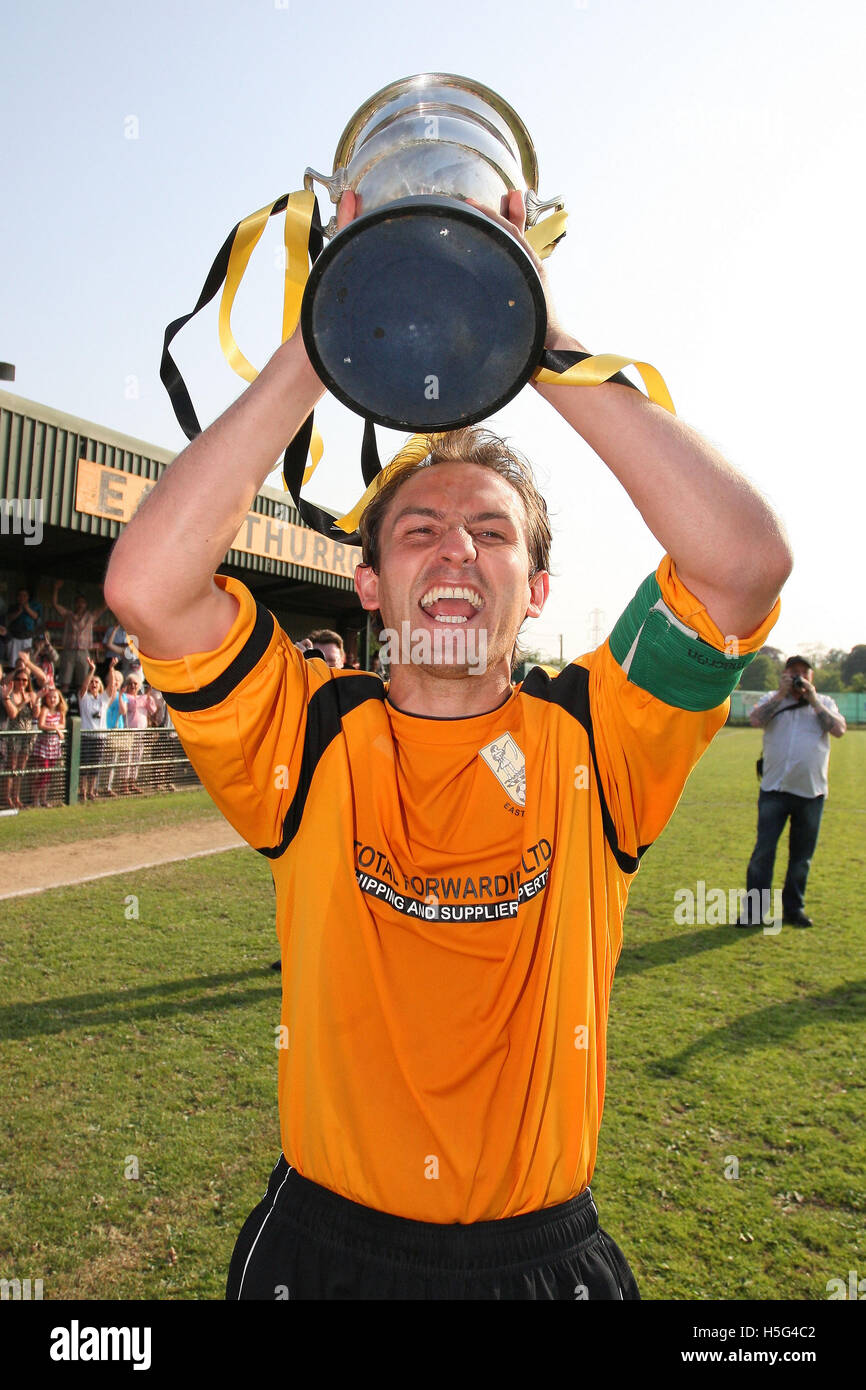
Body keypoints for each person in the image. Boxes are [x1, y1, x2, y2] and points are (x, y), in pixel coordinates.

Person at [105, 189, 791, 1301]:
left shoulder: (599, 735)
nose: (456, 553)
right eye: (419, 531)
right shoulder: (311, 728)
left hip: (539, 1259)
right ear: (370, 583)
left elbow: (743, 562)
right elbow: (147, 584)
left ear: (537, 587)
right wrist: (329, 332)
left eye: (491, 533)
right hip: (326, 1254)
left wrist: (543, 337)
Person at [739, 656, 846, 928]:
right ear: (784, 675)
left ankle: (793, 909)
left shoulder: (825, 703)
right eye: (793, 672)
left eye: (804, 674)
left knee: (801, 858)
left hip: (811, 793)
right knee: (763, 853)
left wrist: (813, 700)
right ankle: (754, 912)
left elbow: (839, 730)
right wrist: (782, 694)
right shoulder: (772, 699)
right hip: (774, 789)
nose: (799, 678)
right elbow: (755, 720)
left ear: (812, 679)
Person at [51, 582, 107, 703]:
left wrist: (104, 590)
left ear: (86, 604)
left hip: (83, 652)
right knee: (65, 681)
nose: (80, 604)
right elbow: (55, 604)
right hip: (69, 650)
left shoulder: (90, 616)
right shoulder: (69, 615)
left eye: (83, 602)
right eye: (78, 602)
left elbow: (104, 606)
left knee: (82, 681)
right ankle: (63, 703)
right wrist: (56, 589)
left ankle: (81, 704)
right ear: (75, 604)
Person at [32, 685, 67, 807]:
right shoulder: (45, 710)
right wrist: (55, 729)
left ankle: (44, 799)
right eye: (50, 697)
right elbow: (41, 725)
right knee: (43, 773)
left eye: (55, 697)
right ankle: (35, 800)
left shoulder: (60, 711)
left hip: (54, 747)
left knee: (49, 775)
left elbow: (63, 724)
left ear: (59, 699)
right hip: (43, 747)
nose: (53, 700)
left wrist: (57, 728)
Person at [4, 588, 43, 665]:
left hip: (27, 637)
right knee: (13, 661)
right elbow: (9, 618)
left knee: (26, 661)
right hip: (14, 637)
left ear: (28, 597)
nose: (22, 597)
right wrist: (20, 611)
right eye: (20, 595)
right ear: (17, 597)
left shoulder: (34, 606)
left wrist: (27, 608)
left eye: (24, 596)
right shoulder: (13, 606)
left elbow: (36, 617)